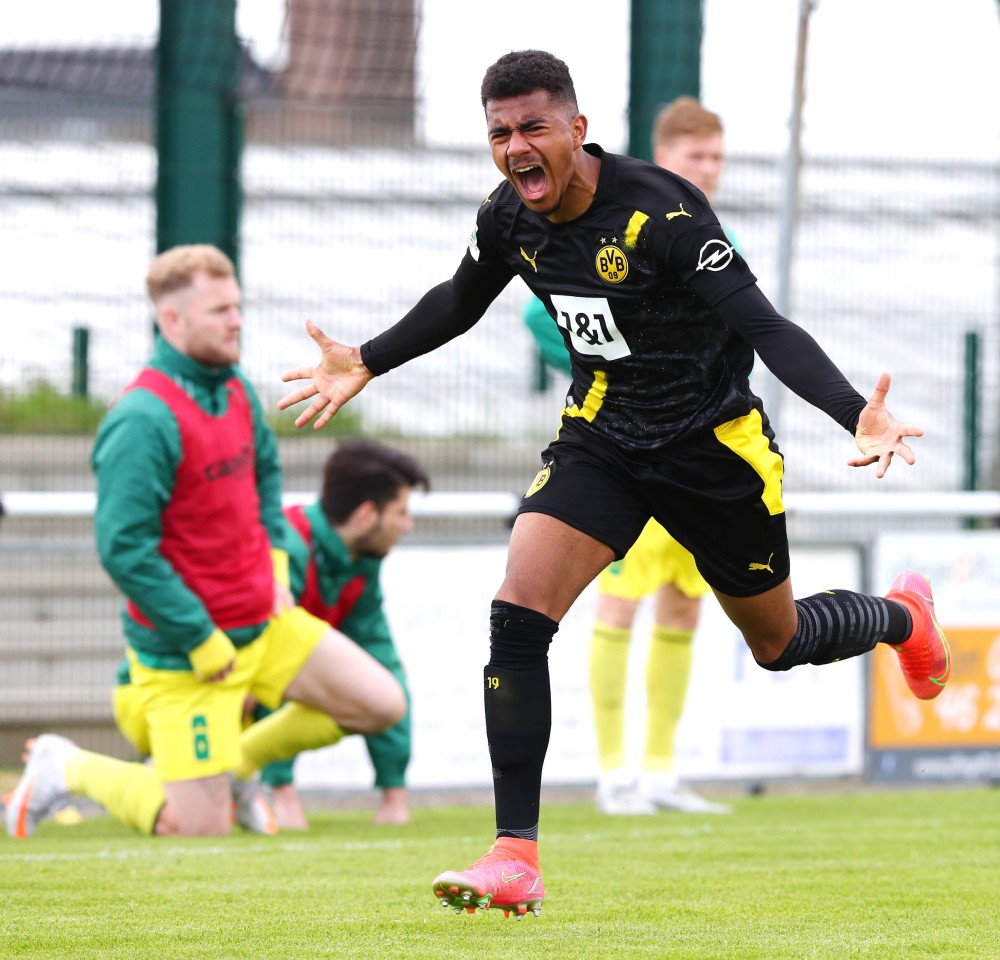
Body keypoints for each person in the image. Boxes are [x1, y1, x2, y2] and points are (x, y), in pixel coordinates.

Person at [277, 51, 951, 919]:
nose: (516, 148)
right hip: (601, 438)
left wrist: (855, 412)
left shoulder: (663, 213)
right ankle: (514, 854)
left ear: (577, 130)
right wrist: (367, 358)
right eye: (500, 133)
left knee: (777, 644)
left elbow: (762, 324)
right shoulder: (509, 217)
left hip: (712, 450)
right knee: (517, 614)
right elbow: (460, 296)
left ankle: (902, 619)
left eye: (532, 128)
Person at [4, 244, 407, 841]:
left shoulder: (238, 392)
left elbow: (266, 487)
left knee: (381, 703)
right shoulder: (142, 418)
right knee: (198, 829)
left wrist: (273, 574)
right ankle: (66, 765)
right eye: (219, 309)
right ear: (173, 321)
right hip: (188, 656)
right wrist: (198, 639)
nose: (236, 321)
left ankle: (237, 769)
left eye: (237, 306)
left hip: (264, 626)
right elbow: (125, 550)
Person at [524, 97, 735, 816]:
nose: (705, 170)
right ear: (661, 160)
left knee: (682, 606)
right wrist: (610, 368)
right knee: (619, 602)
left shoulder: (712, 233)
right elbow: (536, 310)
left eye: (714, 158)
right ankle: (613, 773)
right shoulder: (621, 221)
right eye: (693, 158)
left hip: (703, 454)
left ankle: (660, 772)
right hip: (626, 449)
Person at [260, 439, 430, 828]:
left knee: (376, 689)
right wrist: (282, 791)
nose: (408, 525)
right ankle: (267, 788)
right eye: (401, 512)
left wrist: (394, 795)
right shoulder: (289, 547)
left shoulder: (361, 563)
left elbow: (383, 665)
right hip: (196, 684)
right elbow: (273, 669)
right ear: (368, 514)